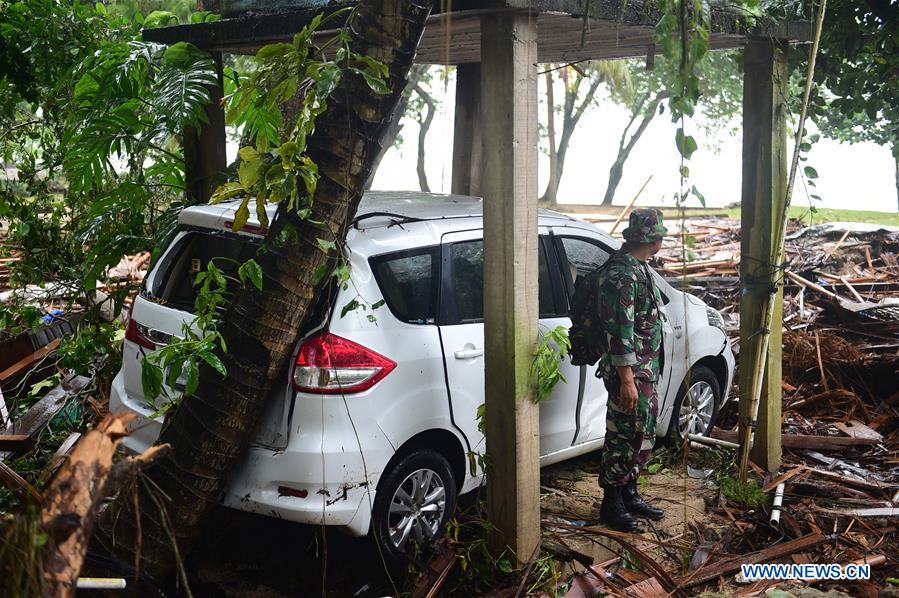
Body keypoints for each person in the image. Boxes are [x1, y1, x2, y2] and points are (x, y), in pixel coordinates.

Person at [596, 208, 667, 532]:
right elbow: (620, 329)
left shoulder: (638, 268)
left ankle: (629, 493)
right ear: (653, 239)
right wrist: (626, 379)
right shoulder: (621, 274)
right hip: (630, 373)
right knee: (623, 435)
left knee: (641, 433)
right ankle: (612, 503)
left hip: (643, 370)